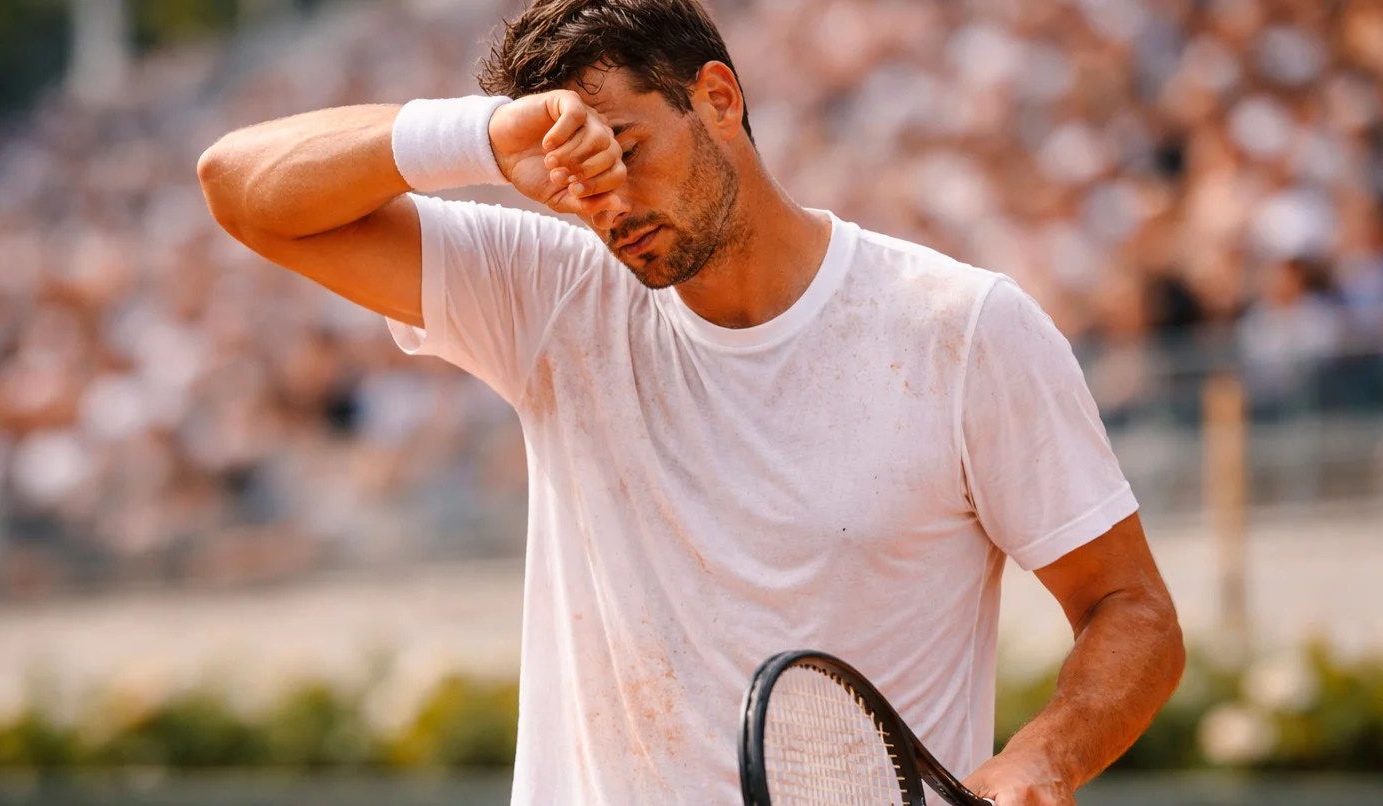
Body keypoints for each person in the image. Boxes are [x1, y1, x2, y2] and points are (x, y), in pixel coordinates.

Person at [196, 1, 1185, 802]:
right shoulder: (552, 292)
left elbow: (1130, 607)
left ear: (718, 97)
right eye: (576, 176)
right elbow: (238, 187)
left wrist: (1044, 757)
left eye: (625, 147)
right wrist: (485, 138)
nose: (610, 203)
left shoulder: (964, 327)